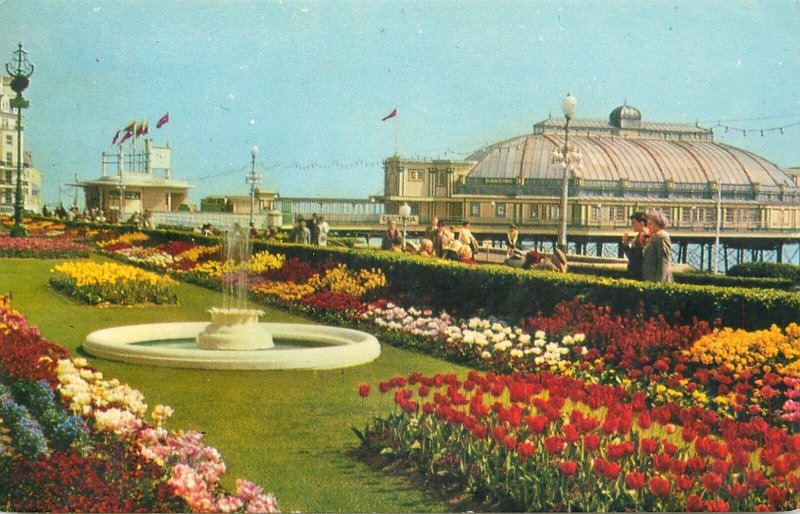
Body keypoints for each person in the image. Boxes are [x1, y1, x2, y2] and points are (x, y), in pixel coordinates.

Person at [642, 210, 674, 283]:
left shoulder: (662, 237)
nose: (648, 227)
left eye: (650, 224)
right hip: (650, 280)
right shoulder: (654, 237)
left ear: (657, 224)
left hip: (657, 281)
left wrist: (660, 283)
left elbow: (663, 262)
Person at [622, 212, 649, 280]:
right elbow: (632, 257)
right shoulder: (638, 237)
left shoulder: (647, 237)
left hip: (641, 273)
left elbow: (637, 258)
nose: (632, 225)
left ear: (641, 223)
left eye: (634, 223)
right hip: (635, 272)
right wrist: (626, 245)